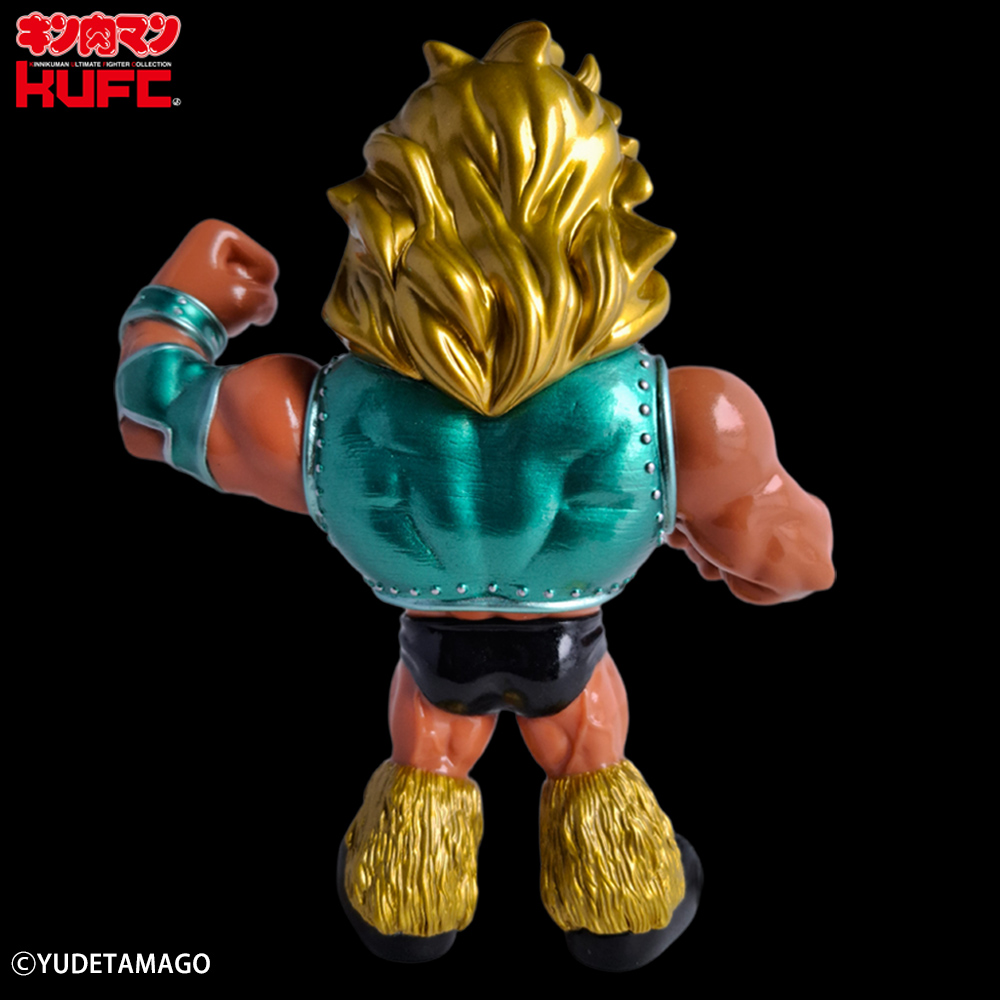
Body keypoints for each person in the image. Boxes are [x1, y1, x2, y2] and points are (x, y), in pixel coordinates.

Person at [115, 21, 834, 971]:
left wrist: (184, 300)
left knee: (430, 754)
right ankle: (623, 915)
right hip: (571, 646)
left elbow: (150, 412)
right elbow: (795, 569)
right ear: (607, 203)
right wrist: (700, 532)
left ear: (394, 204)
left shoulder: (308, 415)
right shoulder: (690, 417)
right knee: (587, 750)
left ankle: (406, 912)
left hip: (434, 646)